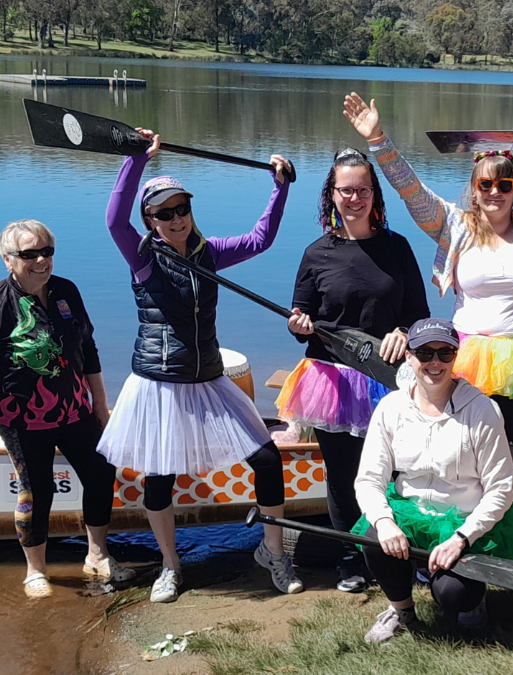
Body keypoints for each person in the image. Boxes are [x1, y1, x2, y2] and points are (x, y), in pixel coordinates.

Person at [343, 93, 513, 547]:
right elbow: (410, 189)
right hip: (465, 361)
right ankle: (437, 539)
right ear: (474, 188)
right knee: (455, 462)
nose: (494, 193)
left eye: (504, 185)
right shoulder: (454, 225)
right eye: (486, 185)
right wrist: (377, 138)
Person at [99, 128, 302, 603]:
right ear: (149, 220)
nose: (175, 219)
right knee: (159, 478)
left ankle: (272, 551)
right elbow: (112, 220)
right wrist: (136, 160)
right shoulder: (144, 256)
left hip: (207, 378)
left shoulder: (210, 254)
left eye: (181, 209)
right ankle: (170, 565)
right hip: (159, 384)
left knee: (267, 460)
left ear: (191, 210)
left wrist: (281, 187)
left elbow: (261, 239)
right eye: (163, 213)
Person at [277, 147, 429, 592]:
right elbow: (301, 316)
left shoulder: (396, 247)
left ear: (373, 194)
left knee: (398, 471)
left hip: (387, 379)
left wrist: (404, 331)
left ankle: (403, 552)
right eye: (346, 191)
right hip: (332, 381)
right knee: (342, 476)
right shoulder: (316, 253)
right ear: (332, 195)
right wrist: (297, 323)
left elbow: (418, 314)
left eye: (362, 190)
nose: (354, 199)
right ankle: (352, 559)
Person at [352, 318, 513, 643]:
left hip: (466, 520)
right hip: (411, 512)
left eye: (445, 353)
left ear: (456, 357)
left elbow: (500, 490)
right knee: (374, 537)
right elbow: (368, 479)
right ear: (409, 357)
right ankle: (402, 610)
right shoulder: (390, 408)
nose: (434, 362)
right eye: (424, 353)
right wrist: (385, 521)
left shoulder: (483, 409)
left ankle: (470, 603)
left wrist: (461, 539)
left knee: (453, 593)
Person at [0, 219, 135, 598]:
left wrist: (101, 405)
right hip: (22, 417)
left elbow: (87, 349)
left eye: (47, 251)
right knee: (36, 491)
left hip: (75, 409)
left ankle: (96, 555)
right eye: (30, 254)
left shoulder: (66, 291)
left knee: (100, 471)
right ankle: (35, 571)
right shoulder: (1, 303)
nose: (42, 260)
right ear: (9, 260)